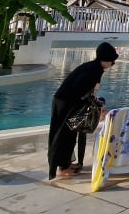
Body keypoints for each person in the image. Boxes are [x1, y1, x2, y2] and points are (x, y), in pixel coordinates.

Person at [47, 41, 118, 180]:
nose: (112, 64)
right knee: (63, 135)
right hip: (64, 103)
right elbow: (78, 90)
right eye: (112, 61)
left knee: (71, 134)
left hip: (69, 102)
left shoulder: (95, 68)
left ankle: (66, 163)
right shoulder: (93, 70)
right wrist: (95, 106)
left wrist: (95, 104)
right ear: (106, 59)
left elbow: (88, 92)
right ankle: (63, 168)